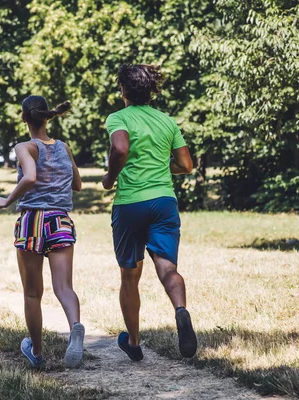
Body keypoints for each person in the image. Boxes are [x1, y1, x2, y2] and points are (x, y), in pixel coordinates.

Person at [102, 64, 197, 361]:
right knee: (168, 268)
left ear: (124, 90)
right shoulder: (167, 121)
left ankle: (133, 342)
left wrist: (109, 178)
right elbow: (185, 165)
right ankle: (181, 310)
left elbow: (119, 149)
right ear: (151, 91)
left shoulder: (118, 117)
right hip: (164, 202)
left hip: (131, 203)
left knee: (130, 275)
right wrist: (159, 168)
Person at [0, 95, 84, 369]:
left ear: (25, 118)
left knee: (33, 293)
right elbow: (78, 184)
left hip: (33, 220)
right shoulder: (63, 147)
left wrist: (7, 200)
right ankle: (75, 326)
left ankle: (36, 352)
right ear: (47, 117)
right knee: (64, 287)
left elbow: (30, 176)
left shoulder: (25, 147)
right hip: (60, 221)